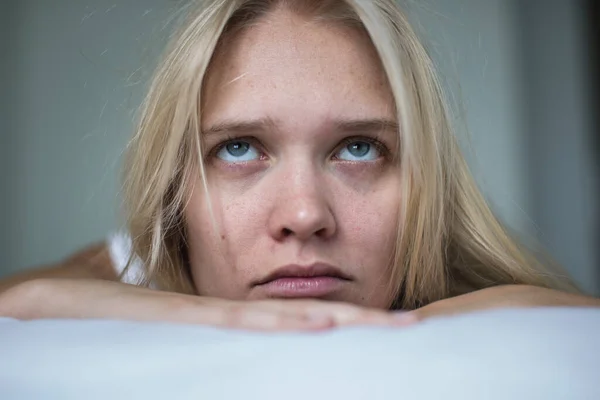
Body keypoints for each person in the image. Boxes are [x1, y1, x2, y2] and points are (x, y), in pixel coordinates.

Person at [0, 0, 598, 330]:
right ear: (174, 194)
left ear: (424, 184)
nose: (305, 214)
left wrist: (451, 316)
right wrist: (189, 313)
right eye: (238, 148)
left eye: (359, 148)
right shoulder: (140, 261)